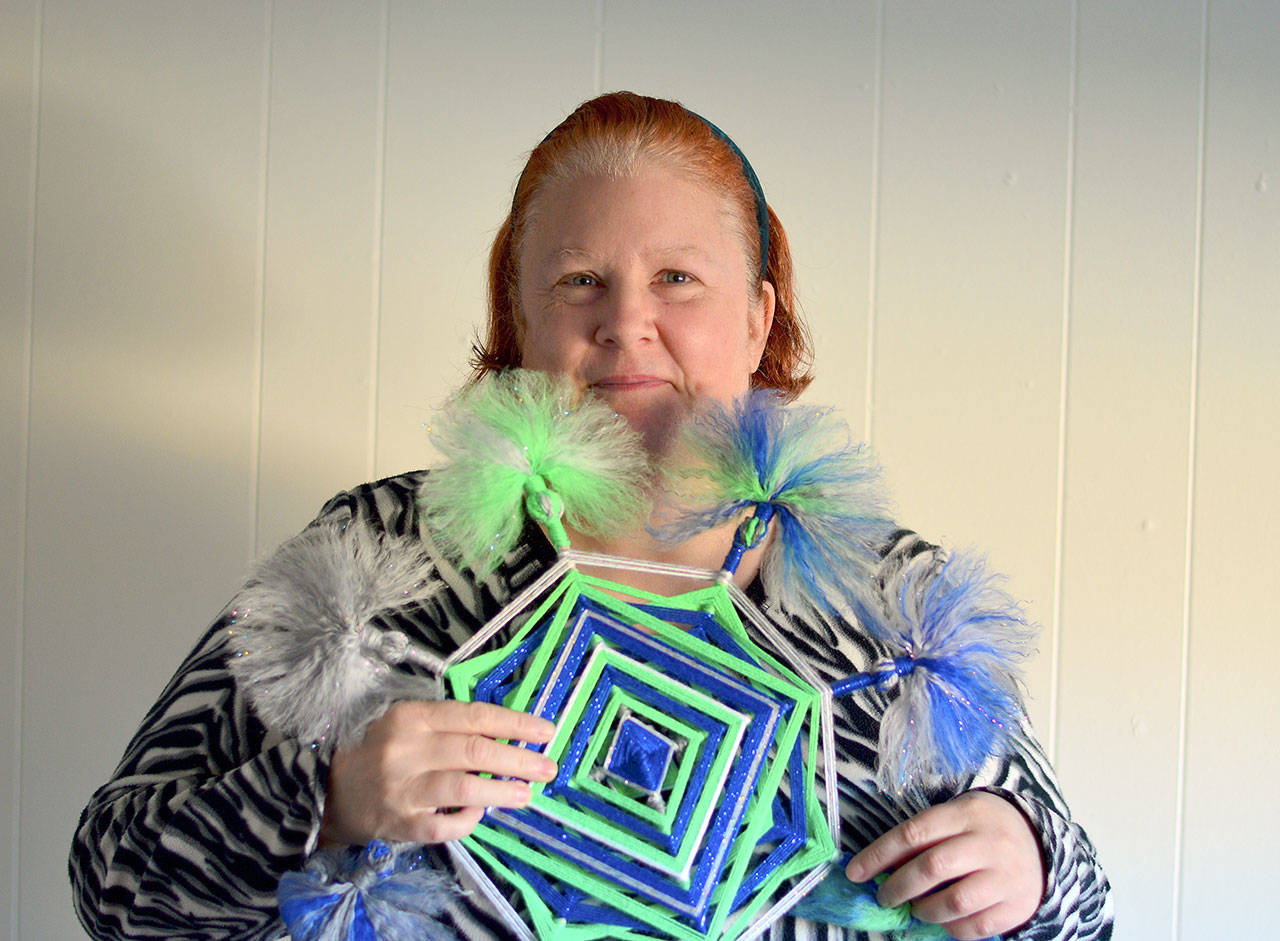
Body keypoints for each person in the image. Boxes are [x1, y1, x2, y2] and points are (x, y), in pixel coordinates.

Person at [71, 92, 1113, 940]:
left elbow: (1084, 913)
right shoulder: (373, 560)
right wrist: (326, 799)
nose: (626, 324)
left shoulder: (893, 609)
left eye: (676, 279)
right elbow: (111, 884)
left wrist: (1028, 871)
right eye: (579, 281)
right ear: (518, 320)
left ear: (758, 318)